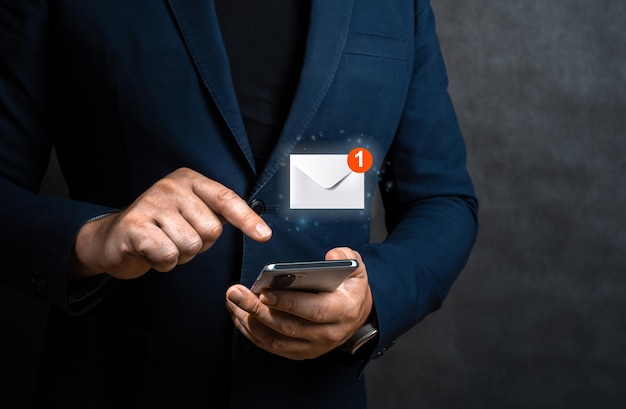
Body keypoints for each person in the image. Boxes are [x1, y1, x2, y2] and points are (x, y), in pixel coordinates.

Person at [0, 0, 478, 408]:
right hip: (112, 386)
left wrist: (375, 294)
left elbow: (443, 199)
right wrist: (94, 236)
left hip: (314, 394)